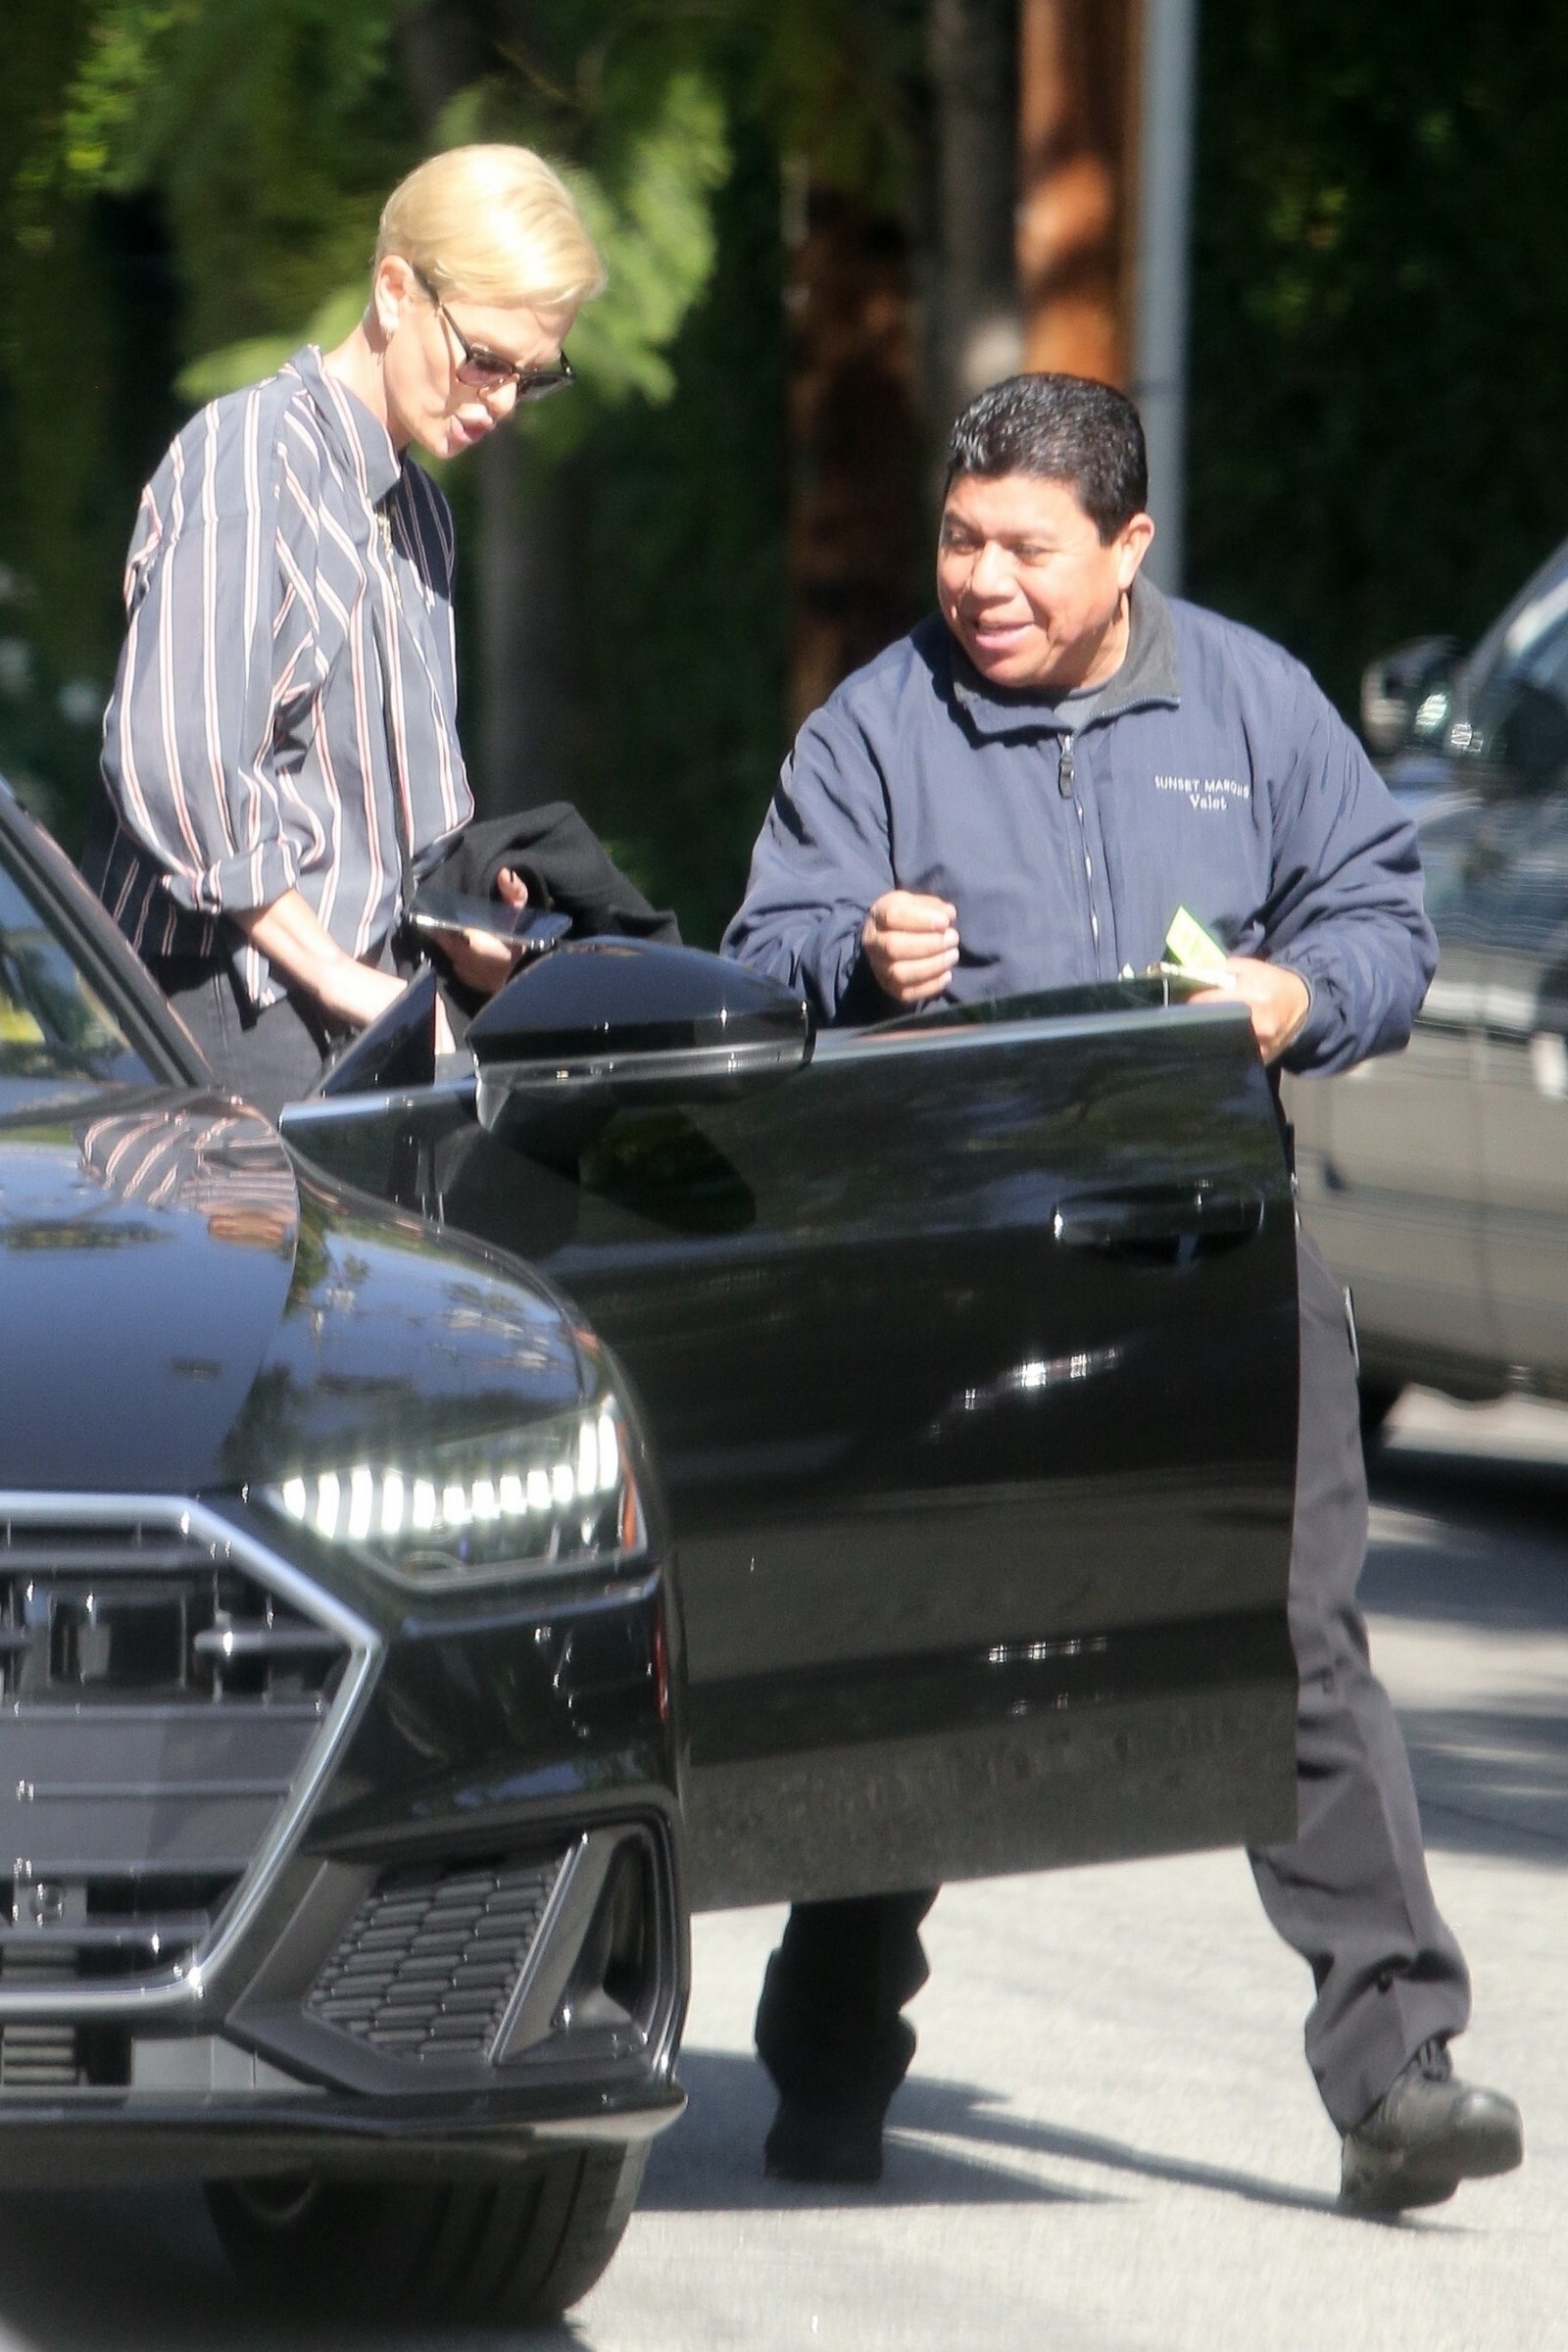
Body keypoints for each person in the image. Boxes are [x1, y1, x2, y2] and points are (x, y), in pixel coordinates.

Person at [722, 371, 1524, 2216]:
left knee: (1295, 1637)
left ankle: (1398, 2076)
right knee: (927, 1643)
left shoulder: (1248, 703)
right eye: (958, 541)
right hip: (952, 1263)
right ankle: (829, 2058)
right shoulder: (877, 728)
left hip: (1213, 1247)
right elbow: (759, 951)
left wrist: (1296, 999)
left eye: (1025, 548)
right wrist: (852, 954)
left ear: (1128, 546)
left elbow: (1384, 923)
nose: (981, 582)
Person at [84, 144, 600, 1120]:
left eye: (532, 377)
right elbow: (177, 763)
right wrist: (333, 972)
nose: (499, 400)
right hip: (222, 1000)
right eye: (485, 359)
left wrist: (464, 921)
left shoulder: (420, 515)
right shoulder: (252, 458)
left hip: (363, 1005)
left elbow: (387, 816)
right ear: (395, 290)